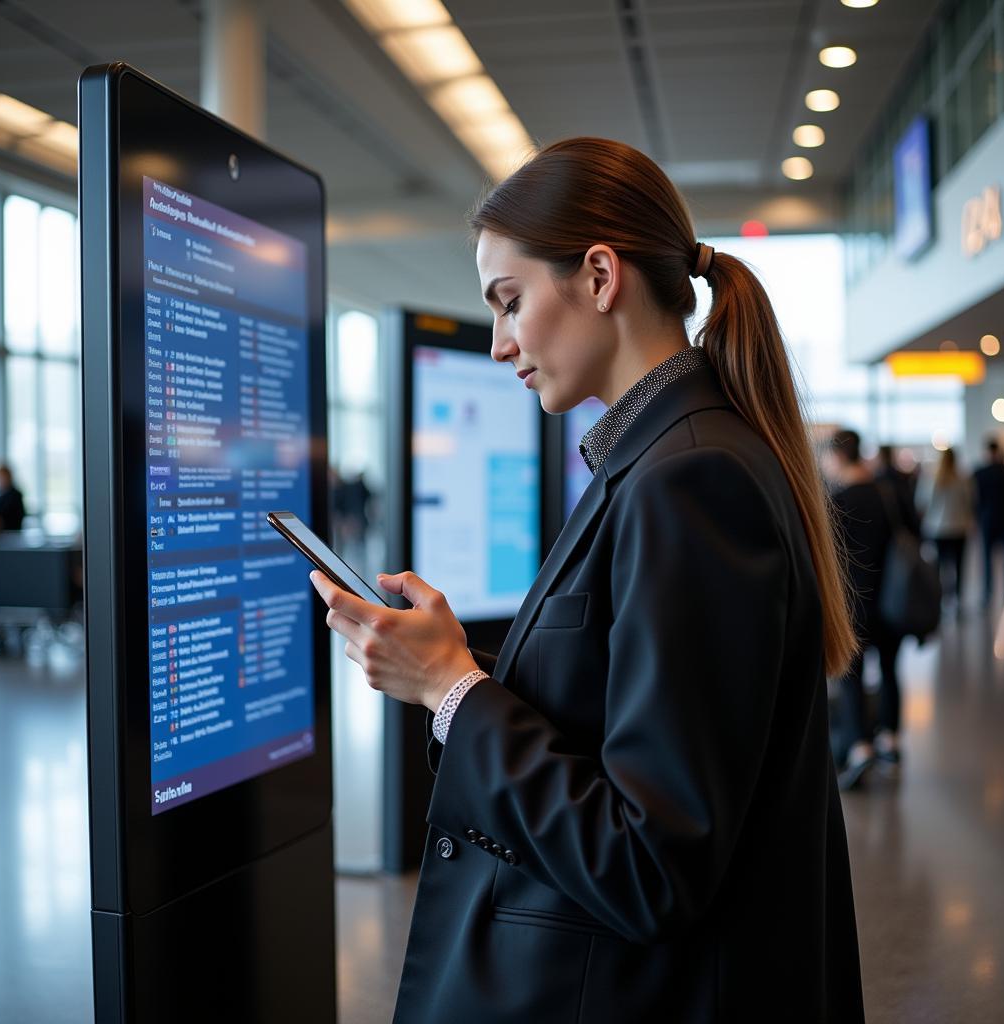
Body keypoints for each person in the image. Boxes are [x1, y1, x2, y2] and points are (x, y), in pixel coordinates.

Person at [310, 138, 864, 1021]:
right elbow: (621, 709)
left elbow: (653, 864)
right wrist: (456, 662)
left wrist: (452, 691)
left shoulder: (688, 479)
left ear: (600, 276)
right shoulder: (661, 461)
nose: (499, 344)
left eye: (510, 301)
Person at [824, 430, 904, 788]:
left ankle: (859, 748)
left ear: (838, 457)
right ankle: (889, 738)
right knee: (889, 669)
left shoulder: (836, 502)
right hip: (890, 602)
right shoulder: (886, 494)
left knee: (851, 676)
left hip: (852, 605)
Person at [917, 447, 974, 611]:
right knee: (959, 565)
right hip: (958, 527)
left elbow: (921, 503)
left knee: (938, 567)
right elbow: (969, 502)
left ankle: (939, 598)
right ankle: (956, 599)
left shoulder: (930, 477)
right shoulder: (963, 478)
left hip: (936, 529)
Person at [972, 437, 1004, 604]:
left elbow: (975, 500)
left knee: (986, 560)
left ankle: (987, 594)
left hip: (987, 520)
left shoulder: (979, 473)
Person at [0, 462, 26, 533]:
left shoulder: (15, 495)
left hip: (10, 534)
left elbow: (15, 518)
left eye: (1, 476)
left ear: (9, 476)